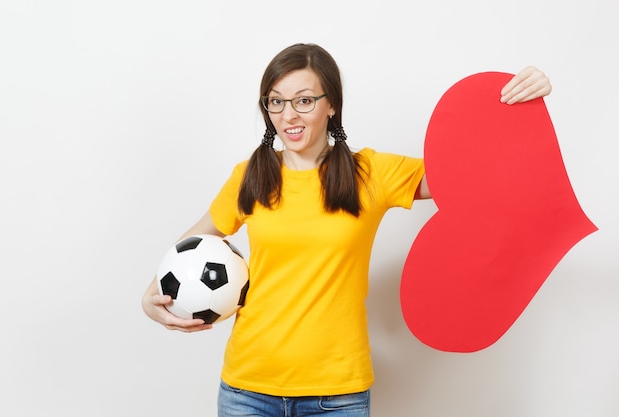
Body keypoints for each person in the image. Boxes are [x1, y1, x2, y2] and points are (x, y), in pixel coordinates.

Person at [142, 43, 552, 416]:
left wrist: (515, 106)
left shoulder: (370, 173)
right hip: (247, 389)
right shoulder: (251, 176)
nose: (288, 115)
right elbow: (191, 247)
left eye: (304, 100)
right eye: (276, 102)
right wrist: (154, 296)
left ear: (331, 104)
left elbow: (469, 170)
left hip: (336, 396)